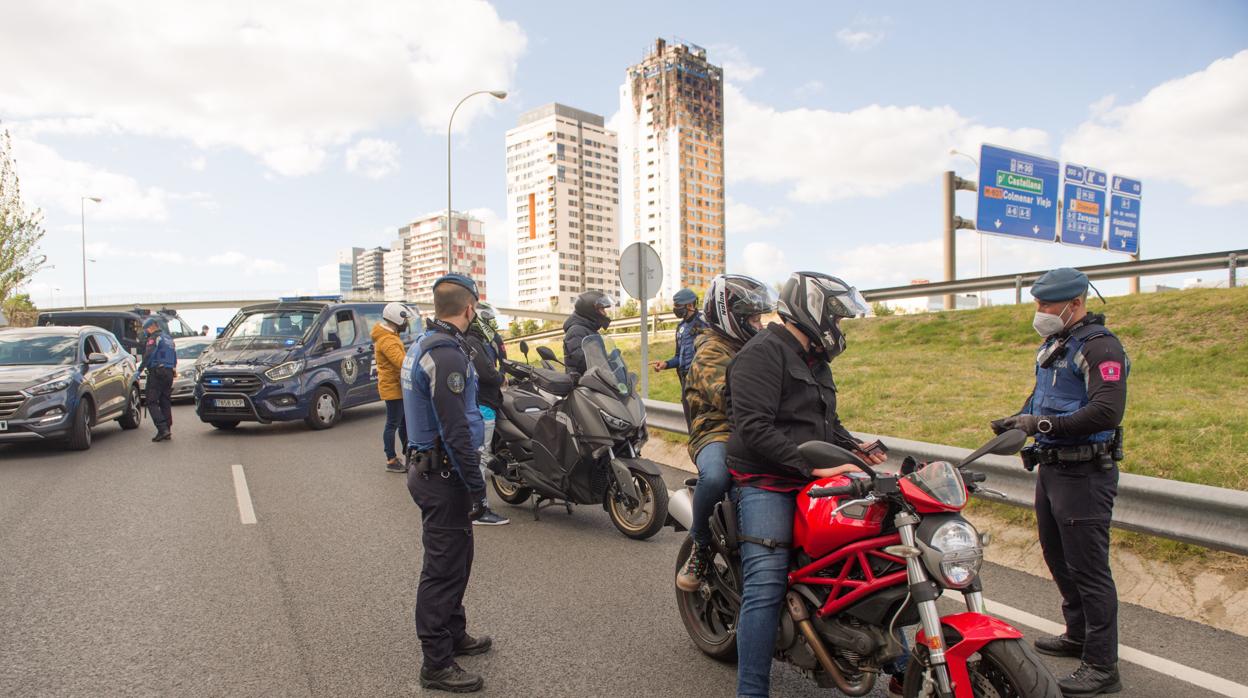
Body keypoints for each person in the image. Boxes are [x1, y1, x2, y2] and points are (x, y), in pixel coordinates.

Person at [724, 271, 888, 698]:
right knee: (766, 580)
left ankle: (888, 658)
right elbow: (753, 427)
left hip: (810, 473)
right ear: (812, 310)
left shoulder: (814, 360)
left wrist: (855, 448)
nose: (839, 325)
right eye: (836, 315)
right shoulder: (761, 353)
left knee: (866, 559)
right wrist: (809, 468)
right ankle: (752, 690)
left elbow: (823, 421)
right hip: (768, 479)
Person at [992, 267, 1128, 698]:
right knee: (1057, 555)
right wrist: (1019, 420)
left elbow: (1107, 412)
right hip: (1052, 470)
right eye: (1037, 303)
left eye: (1047, 305)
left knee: (1089, 569)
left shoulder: (1101, 346)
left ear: (1075, 303)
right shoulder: (1054, 345)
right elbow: (1042, 398)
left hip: (1085, 473)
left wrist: (1041, 423)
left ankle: (1103, 666)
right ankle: (1078, 634)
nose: (1040, 312)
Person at [401, 273, 493, 693]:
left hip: (431, 466)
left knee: (458, 558)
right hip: (444, 473)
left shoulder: (423, 344)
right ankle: (435, 663)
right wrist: (477, 488)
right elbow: (455, 428)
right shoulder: (446, 354)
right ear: (469, 308)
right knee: (442, 568)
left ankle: (454, 633)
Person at [676, 274, 775, 592]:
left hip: (752, 428)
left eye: (760, 317)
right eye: (752, 318)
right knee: (717, 476)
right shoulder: (710, 352)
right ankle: (700, 546)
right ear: (731, 317)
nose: (758, 324)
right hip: (715, 430)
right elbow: (729, 398)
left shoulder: (755, 347)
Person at [463, 301, 509, 526]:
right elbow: (487, 373)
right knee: (481, 456)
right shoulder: (473, 341)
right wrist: (502, 378)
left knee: (481, 454)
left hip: (486, 402)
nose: (492, 324)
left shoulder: (480, 340)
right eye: (489, 320)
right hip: (483, 404)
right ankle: (478, 509)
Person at [374, 302, 415, 473]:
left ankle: (409, 455)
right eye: (405, 320)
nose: (406, 324)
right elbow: (401, 362)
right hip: (393, 388)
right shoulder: (387, 340)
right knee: (393, 423)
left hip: (397, 386)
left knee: (404, 423)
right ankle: (391, 459)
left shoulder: (390, 336)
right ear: (396, 318)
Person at [139, 317, 177, 442]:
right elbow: (175, 357)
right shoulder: (168, 339)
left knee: (151, 401)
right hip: (169, 372)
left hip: (157, 372)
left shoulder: (154, 338)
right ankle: (167, 430)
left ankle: (162, 429)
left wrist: (139, 370)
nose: (145, 332)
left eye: (145, 329)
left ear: (150, 327)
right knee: (165, 401)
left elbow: (149, 354)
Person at [561, 290, 614, 375]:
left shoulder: (589, 329)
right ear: (591, 310)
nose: (605, 313)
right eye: (602, 309)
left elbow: (596, 356)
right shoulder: (576, 331)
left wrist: (612, 360)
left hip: (594, 379)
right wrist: (604, 364)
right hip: (580, 382)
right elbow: (581, 361)